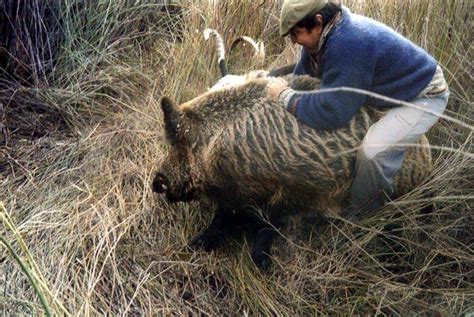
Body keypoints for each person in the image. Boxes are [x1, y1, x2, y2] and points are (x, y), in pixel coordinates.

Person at [266, 0, 449, 218]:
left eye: (296, 34)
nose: (295, 42)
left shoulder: (350, 44)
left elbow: (332, 113)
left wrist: (285, 96)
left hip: (422, 95)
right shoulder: (322, 37)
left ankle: (363, 220)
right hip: (387, 89)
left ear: (317, 22)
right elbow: (304, 80)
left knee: (372, 152)